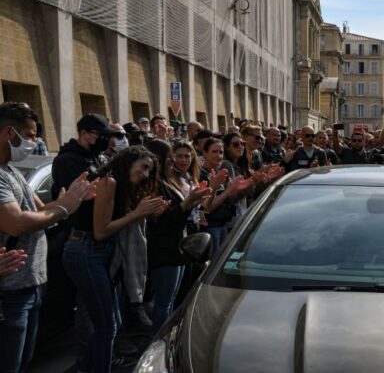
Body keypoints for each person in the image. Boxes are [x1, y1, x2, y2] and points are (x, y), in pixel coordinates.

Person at [0, 102, 93, 373]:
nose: (34, 142)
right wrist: (64, 208)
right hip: (10, 292)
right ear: (9, 133)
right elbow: (16, 223)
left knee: (23, 362)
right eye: (29, 136)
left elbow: (40, 211)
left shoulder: (12, 172)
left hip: (31, 284)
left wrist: (68, 200)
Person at [62, 146, 167, 373]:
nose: (146, 174)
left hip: (98, 252)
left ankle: (86, 366)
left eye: (150, 170)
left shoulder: (122, 184)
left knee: (104, 321)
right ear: (128, 162)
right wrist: (137, 214)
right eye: (144, 167)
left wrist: (145, 212)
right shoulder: (108, 182)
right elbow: (101, 231)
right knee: (106, 326)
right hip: (87, 250)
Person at [143, 140, 211, 333]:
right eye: (170, 157)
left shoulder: (168, 180)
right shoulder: (153, 185)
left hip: (176, 245)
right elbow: (162, 219)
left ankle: (169, 335)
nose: (174, 162)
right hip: (164, 248)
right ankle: (159, 341)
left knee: (172, 299)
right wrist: (188, 201)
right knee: (164, 301)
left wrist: (193, 200)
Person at [199, 138, 252, 254]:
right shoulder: (201, 175)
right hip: (211, 227)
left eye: (221, 152)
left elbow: (230, 199)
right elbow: (208, 207)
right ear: (204, 153)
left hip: (223, 225)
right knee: (213, 264)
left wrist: (238, 188)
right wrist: (228, 190)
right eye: (214, 152)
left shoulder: (221, 172)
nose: (218, 155)